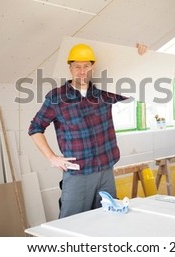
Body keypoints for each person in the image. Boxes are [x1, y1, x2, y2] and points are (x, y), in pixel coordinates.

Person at [28, 42, 147, 218]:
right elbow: (35, 128)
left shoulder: (104, 94)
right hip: (78, 173)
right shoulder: (57, 97)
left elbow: (133, 87)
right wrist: (52, 157)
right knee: (71, 222)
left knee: (107, 218)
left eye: (86, 66)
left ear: (92, 67)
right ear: (70, 68)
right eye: (77, 66)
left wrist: (139, 58)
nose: (82, 71)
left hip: (105, 169)